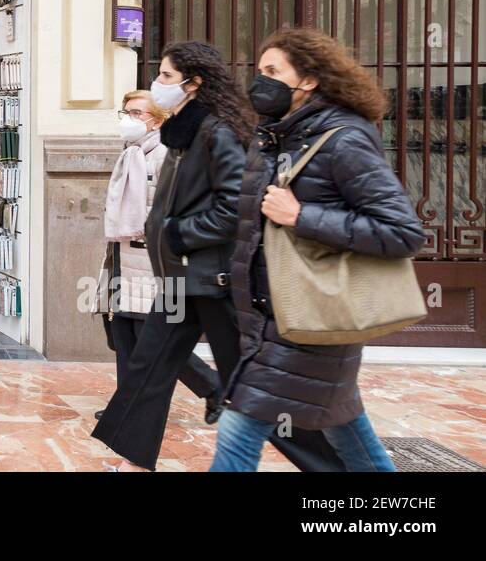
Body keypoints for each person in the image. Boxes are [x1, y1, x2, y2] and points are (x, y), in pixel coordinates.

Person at [92, 41, 345, 472]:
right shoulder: (186, 131)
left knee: (251, 388)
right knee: (146, 372)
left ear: (195, 83)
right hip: (180, 279)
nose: (159, 85)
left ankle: (330, 465)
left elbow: (235, 206)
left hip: (210, 280)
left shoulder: (217, 130)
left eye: (167, 77)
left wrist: (177, 233)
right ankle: (128, 455)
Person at [211, 28, 423, 471]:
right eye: (260, 70)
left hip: (311, 316)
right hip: (277, 317)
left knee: (237, 430)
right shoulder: (277, 137)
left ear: (307, 80)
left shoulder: (343, 139)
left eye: (273, 71)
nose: (260, 80)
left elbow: (402, 231)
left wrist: (302, 216)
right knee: (345, 428)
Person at [96, 89, 220, 421]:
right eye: (125, 112)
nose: (128, 119)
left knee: (152, 340)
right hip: (122, 256)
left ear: (158, 119)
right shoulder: (131, 152)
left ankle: (214, 387)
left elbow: (168, 209)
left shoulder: (165, 155)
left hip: (149, 262)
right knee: (122, 333)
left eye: (137, 113)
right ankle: (125, 406)